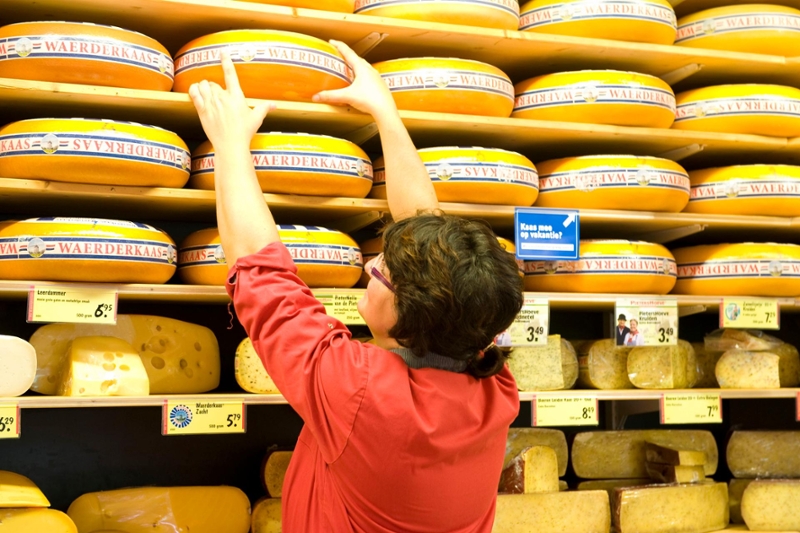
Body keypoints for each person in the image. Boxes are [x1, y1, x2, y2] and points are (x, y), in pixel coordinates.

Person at [188, 41, 524, 532]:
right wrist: (385, 114)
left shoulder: (361, 394)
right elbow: (434, 246)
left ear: (408, 320)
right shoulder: (490, 383)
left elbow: (261, 274)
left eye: (382, 272)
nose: (370, 268)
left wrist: (231, 143)